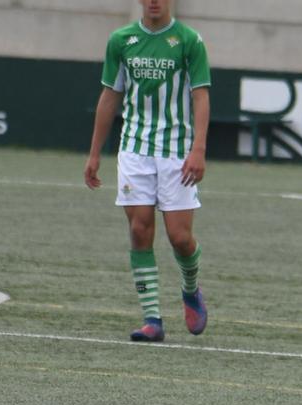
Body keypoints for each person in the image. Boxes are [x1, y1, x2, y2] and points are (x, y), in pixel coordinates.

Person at [83, 0, 210, 343]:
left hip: (177, 153)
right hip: (135, 150)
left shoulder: (189, 41)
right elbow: (110, 95)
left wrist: (198, 149)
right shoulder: (121, 40)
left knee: (180, 238)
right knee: (140, 231)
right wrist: (95, 153)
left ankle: (190, 289)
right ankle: (152, 319)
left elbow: (200, 95)